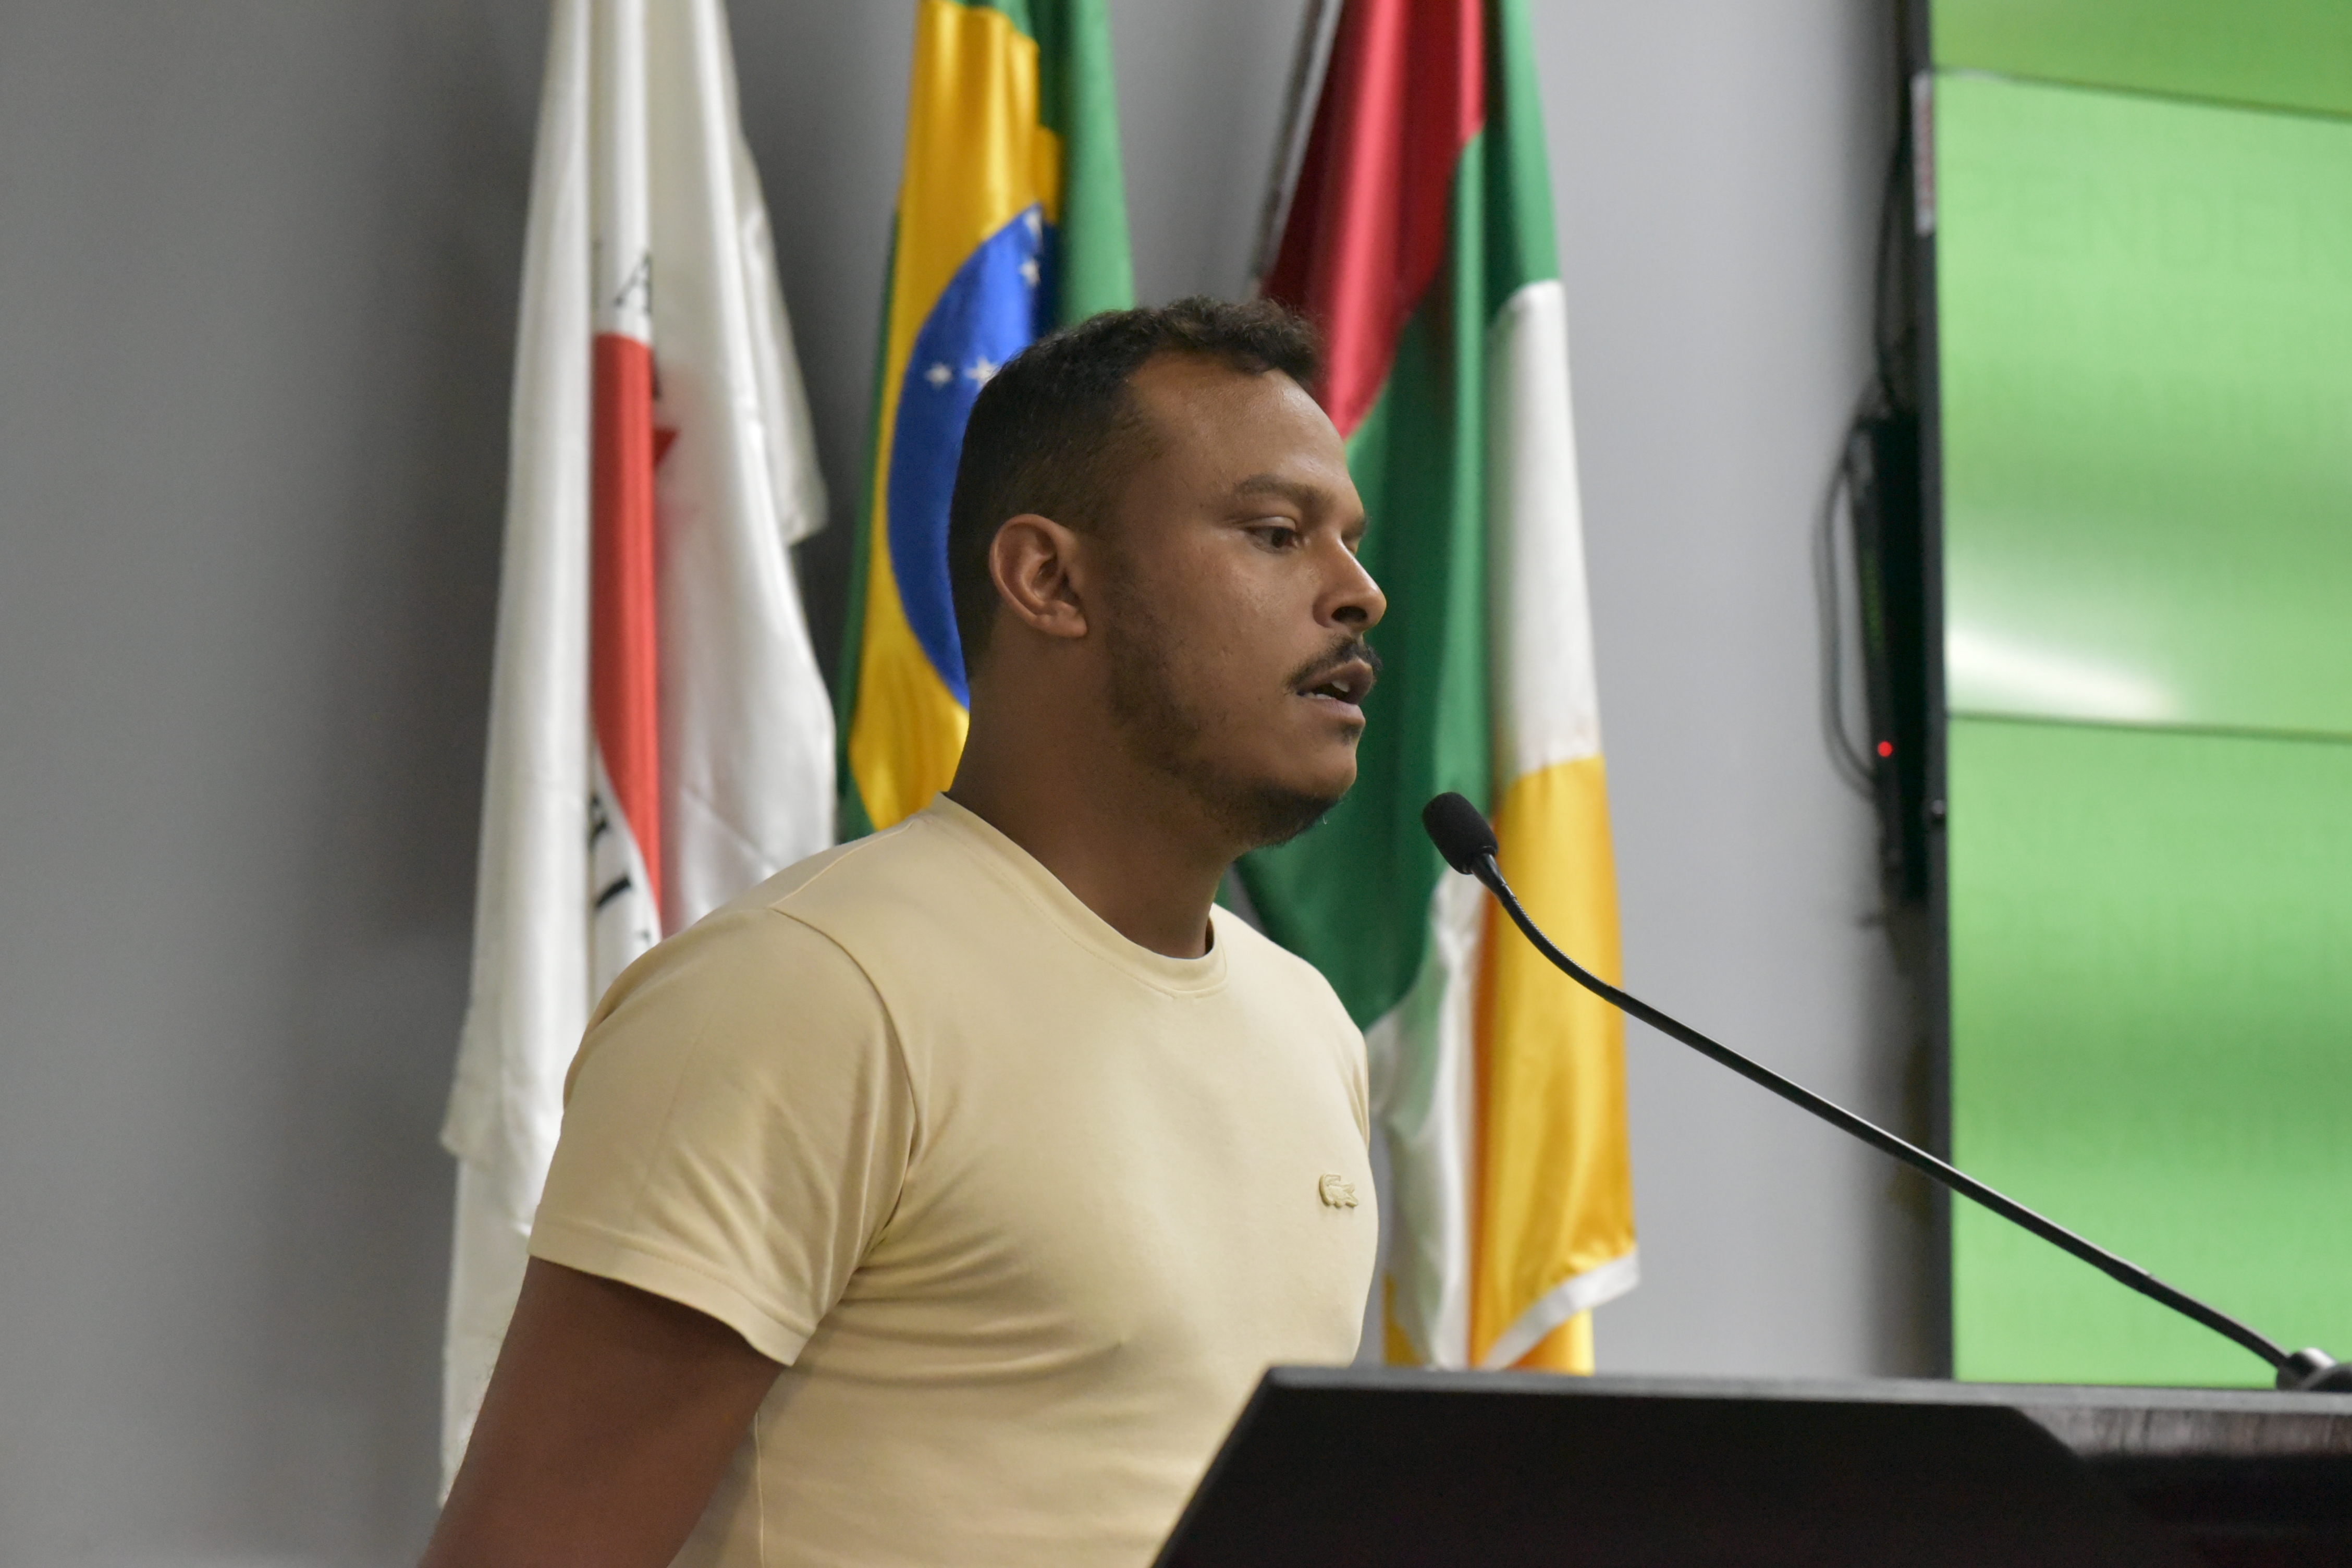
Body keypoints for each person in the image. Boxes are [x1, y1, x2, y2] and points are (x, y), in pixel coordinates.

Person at [419, 297, 1387, 1568]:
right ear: (1050, 579)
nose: (1359, 594)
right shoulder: (805, 991)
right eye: (1275, 533)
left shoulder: (1309, 1028)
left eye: (1349, 542)